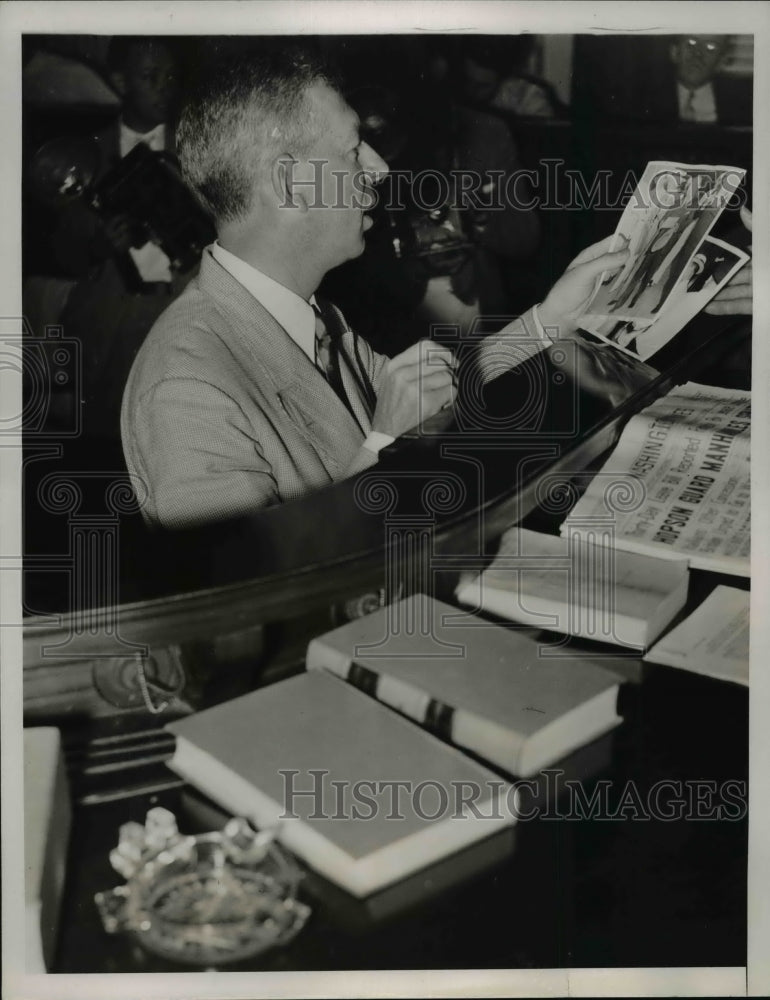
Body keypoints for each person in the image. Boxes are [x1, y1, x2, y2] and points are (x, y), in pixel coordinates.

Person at [121, 46, 634, 531]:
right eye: (352, 150)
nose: (380, 169)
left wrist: (549, 321)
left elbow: (432, 388)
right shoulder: (185, 389)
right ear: (292, 185)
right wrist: (384, 443)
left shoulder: (312, 316)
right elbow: (246, 603)